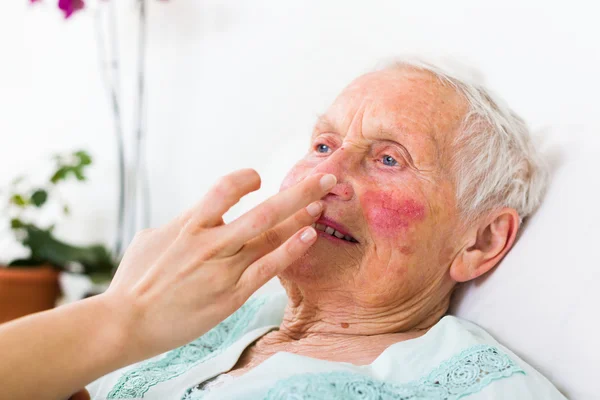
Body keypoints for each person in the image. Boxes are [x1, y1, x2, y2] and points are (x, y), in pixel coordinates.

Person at [1, 59, 566, 400]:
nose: (324, 175)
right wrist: (121, 314)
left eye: (388, 159)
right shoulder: (211, 315)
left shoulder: (475, 386)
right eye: (323, 145)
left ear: (481, 240)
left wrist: (123, 316)